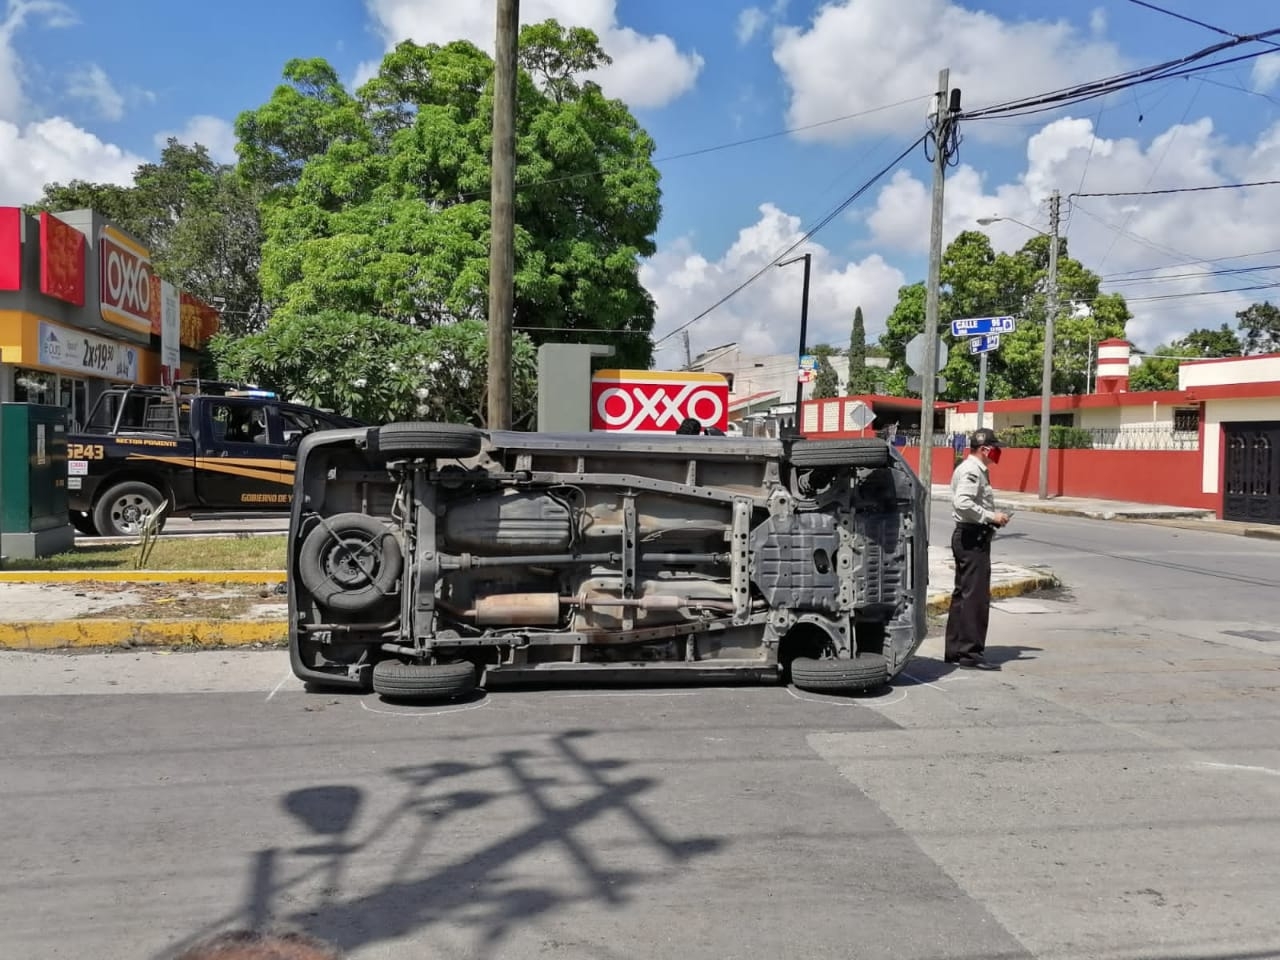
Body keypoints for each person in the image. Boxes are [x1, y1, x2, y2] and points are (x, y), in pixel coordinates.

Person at [944, 427, 1010, 670]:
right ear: (984, 449)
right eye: (995, 448)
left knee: (963, 595)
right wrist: (992, 516)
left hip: (968, 536)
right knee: (975, 597)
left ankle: (956, 651)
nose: (997, 452)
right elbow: (963, 503)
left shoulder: (968, 468)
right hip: (973, 538)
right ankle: (970, 654)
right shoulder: (973, 470)